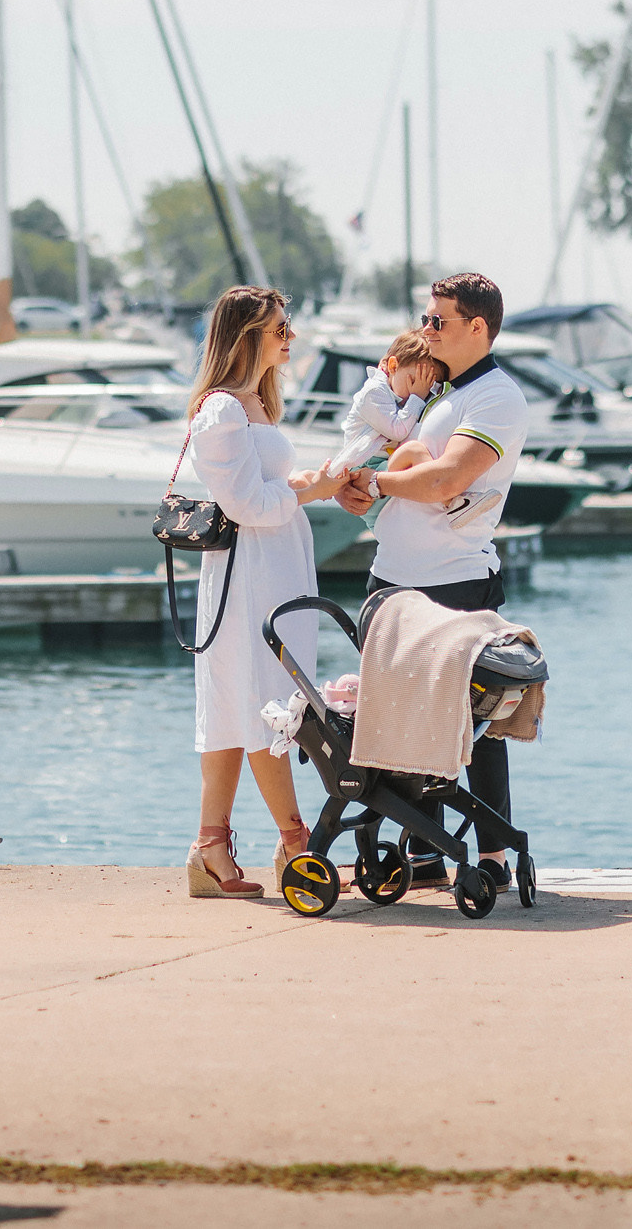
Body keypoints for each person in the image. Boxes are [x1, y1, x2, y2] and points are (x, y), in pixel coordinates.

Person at [336, 272, 529, 887]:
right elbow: (401, 467)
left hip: (454, 583)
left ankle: (494, 855)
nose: (425, 330)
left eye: (437, 321)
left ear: (478, 327)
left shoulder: (497, 397)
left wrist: (376, 482)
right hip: (391, 580)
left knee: (480, 723)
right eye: (425, 318)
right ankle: (422, 854)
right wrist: (361, 493)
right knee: (397, 716)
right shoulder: (437, 390)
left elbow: (448, 479)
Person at [181, 285, 353, 897]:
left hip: (271, 566)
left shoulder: (254, 403)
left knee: (239, 704)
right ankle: (296, 843)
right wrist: (317, 487)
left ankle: (212, 847)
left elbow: (267, 485)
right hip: (248, 574)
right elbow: (247, 503)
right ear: (247, 334)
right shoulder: (223, 410)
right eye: (280, 328)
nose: (291, 337)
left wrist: (318, 482)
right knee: (265, 704)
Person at [322, 329, 445, 480]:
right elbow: (396, 431)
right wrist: (417, 397)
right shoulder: (374, 392)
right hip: (365, 464)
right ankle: (446, 495)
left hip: (382, 462)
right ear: (393, 366)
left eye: (428, 388)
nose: (422, 391)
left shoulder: (399, 394)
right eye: (414, 381)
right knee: (414, 452)